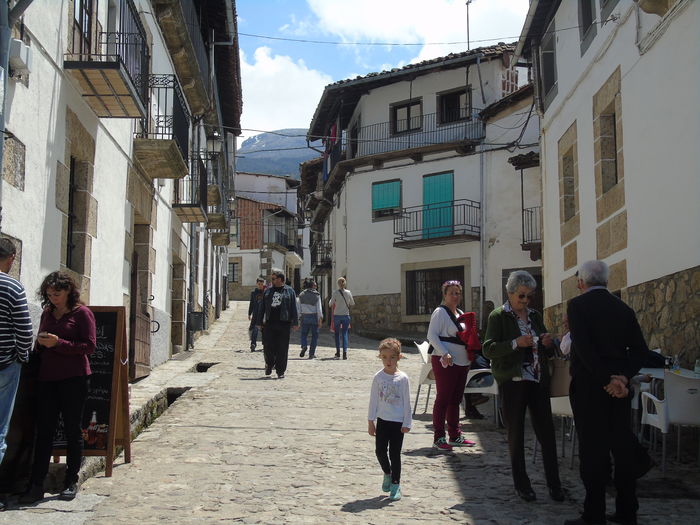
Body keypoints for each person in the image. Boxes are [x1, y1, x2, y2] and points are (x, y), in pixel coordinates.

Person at [563, 261, 649, 525]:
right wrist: (622, 378)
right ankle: (627, 511)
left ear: (581, 283)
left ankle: (594, 513)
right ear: (607, 281)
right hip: (620, 391)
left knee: (593, 452)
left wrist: (606, 380)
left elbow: (585, 350)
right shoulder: (623, 309)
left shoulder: (577, 307)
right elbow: (639, 351)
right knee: (621, 449)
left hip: (591, 388)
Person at [483, 270, 564, 503]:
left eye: (529, 296)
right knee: (516, 435)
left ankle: (555, 486)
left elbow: (545, 347)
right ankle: (522, 485)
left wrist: (548, 343)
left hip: (538, 381)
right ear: (510, 293)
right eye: (521, 296)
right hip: (514, 382)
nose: (525, 301)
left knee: (547, 434)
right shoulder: (498, 317)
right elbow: (488, 348)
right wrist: (515, 343)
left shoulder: (535, 316)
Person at [20, 271, 96, 504]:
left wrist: (59, 343)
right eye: (49, 294)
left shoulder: (82, 313)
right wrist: (41, 343)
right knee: (44, 431)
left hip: (74, 378)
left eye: (57, 293)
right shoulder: (47, 312)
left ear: (68, 292)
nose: (53, 298)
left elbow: (89, 346)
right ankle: (36, 484)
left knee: (73, 430)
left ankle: (70, 481)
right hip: (47, 378)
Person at [0, 239, 33, 509]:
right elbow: (24, 330)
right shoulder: (12, 287)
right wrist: (22, 357)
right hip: (4, 366)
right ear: (11, 258)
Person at [426, 280, 476, 451]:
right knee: (443, 398)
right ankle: (439, 437)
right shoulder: (440, 313)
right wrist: (443, 352)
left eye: (457, 293)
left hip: (462, 361)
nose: (455, 296)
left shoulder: (460, 313)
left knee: (456, 399)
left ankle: (455, 435)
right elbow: (432, 335)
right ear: (445, 295)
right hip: (445, 361)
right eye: (451, 293)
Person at [367, 338, 411, 501]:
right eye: (384, 357)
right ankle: (387, 472)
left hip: (398, 422)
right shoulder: (378, 378)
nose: (388, 361)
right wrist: (371, 421)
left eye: (392, 357)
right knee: (380, 451)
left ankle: (395, 485)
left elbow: (407, 402)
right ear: (380, 357)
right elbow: (373, 400)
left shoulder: (403, 379)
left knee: (395, 454)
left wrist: (407, 423)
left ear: (398, 358)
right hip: (383, 420)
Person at [261, 269, 298, 379]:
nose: (271, 281)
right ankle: (269, 363)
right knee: (268, 346)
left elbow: (293, 308)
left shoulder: (290, 291)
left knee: (282, 348)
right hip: (269, 323)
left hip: (284, 323)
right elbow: (262, 307)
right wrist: (258, 321)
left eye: (273, 279)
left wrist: (295, 322)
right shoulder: (268, 291)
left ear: (280, 279)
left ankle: (280, 370)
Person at [329, 277, 354, 360]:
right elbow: (352, 303)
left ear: (338, 284)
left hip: (337, 315)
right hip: (346, 315)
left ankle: (338, 352)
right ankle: (345, 353)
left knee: (337, 334)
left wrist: (336, 301)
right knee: (345, 334)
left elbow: (330, 304)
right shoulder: (348, 292)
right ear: (345, 283)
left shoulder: (335, 293)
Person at [297, 278, 323, 359]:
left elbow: (299, 308)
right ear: (312, 285)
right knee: (314, 336)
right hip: (314, 317)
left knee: (303, 334)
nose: (316, 285)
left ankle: (304, 345)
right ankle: (311, 354)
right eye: (315, 284)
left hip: (304, 317)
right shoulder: (317, 295)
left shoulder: (301, 295)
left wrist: (298, 318)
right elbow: (319, 309)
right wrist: (320, 319)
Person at [247, 277, 265, 352]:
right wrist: (249, 313)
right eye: (259, 284)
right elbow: (252, 303)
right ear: (256, 284)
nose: (260, 285)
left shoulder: (266, 292)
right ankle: (253, 344)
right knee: (255, 329)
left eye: (261, 284)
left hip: (264, 315)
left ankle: (265, 345)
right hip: (256, 314)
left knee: (264, 331)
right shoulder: (254, 293)